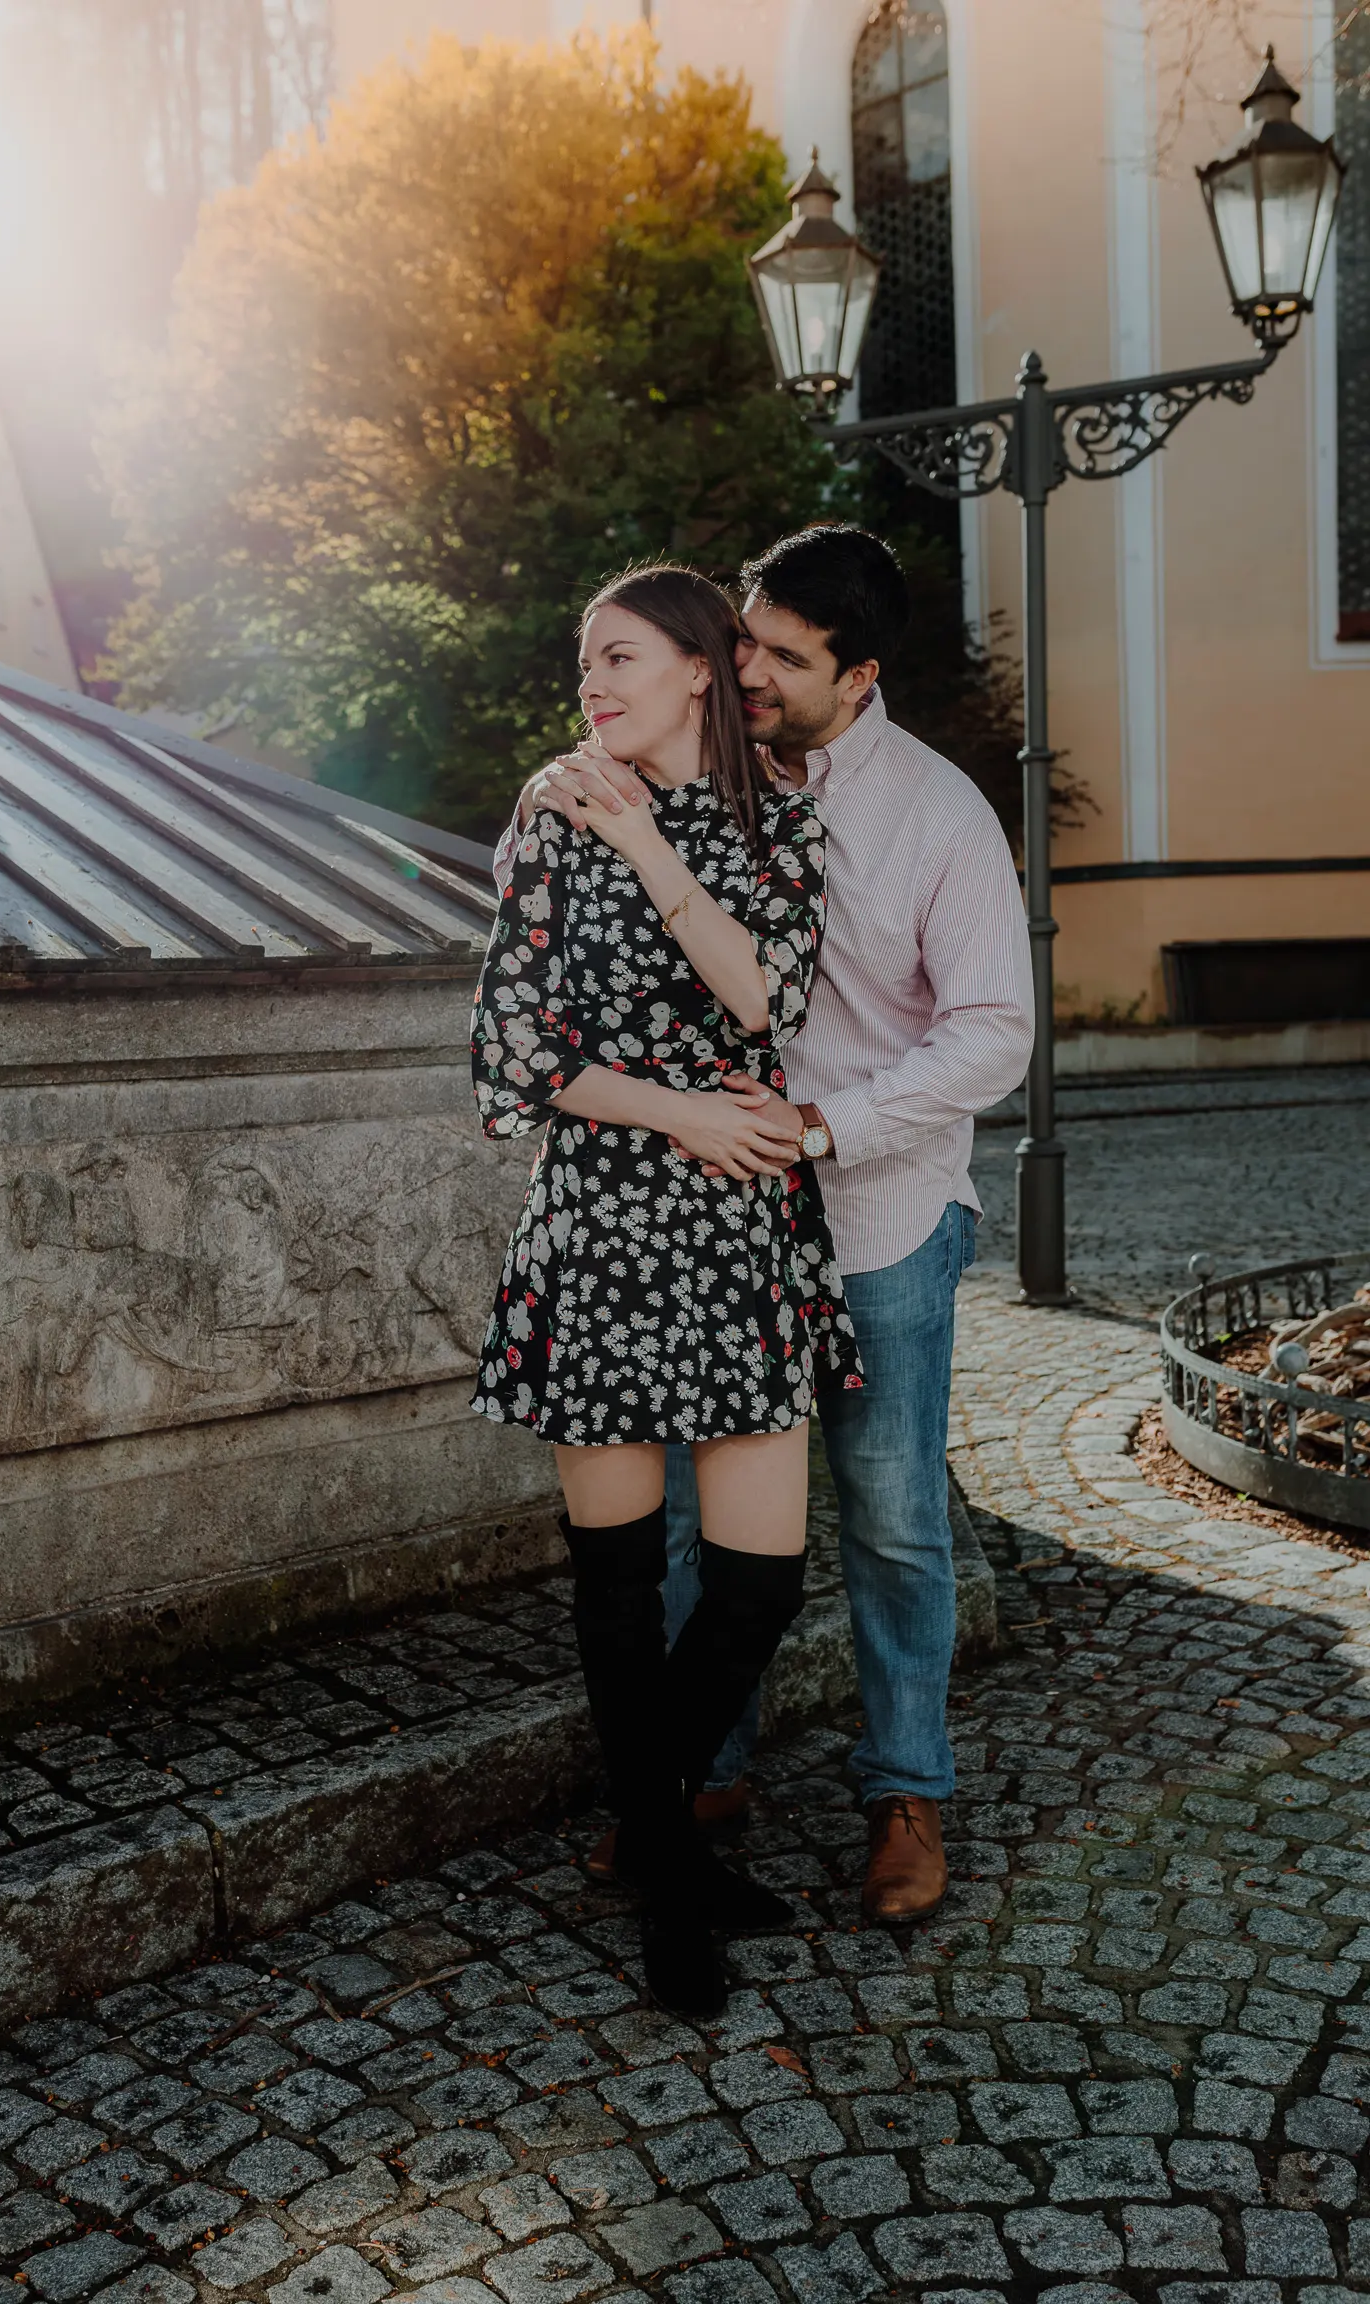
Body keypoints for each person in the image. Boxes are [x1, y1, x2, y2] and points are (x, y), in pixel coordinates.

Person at [503, 526, 1034, 1927]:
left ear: (856, 677)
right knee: (680, 1527)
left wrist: (824, 1130)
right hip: (713, 1225)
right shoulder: (690, 779)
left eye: (781, 657)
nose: (748, 668)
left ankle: (904, 1791)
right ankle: (692, 1778)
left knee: (892, 1517)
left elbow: (994, 1034)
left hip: (875, 1210)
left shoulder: (935, 814)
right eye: (738, 640)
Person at [470, 563, 861, 2014]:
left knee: (760, 1580)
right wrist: (682, 1111)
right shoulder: (549, 810)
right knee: (623, 1585)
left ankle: (650, 1836)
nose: (595, 685)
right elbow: (516, 1054)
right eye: (585, 664)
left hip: (742, 1246)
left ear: (701, 667)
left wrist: (652, 844)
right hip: (607, 1226)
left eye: (621, 657)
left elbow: (767, 999)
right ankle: (672, 1896)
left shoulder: (780, 817)